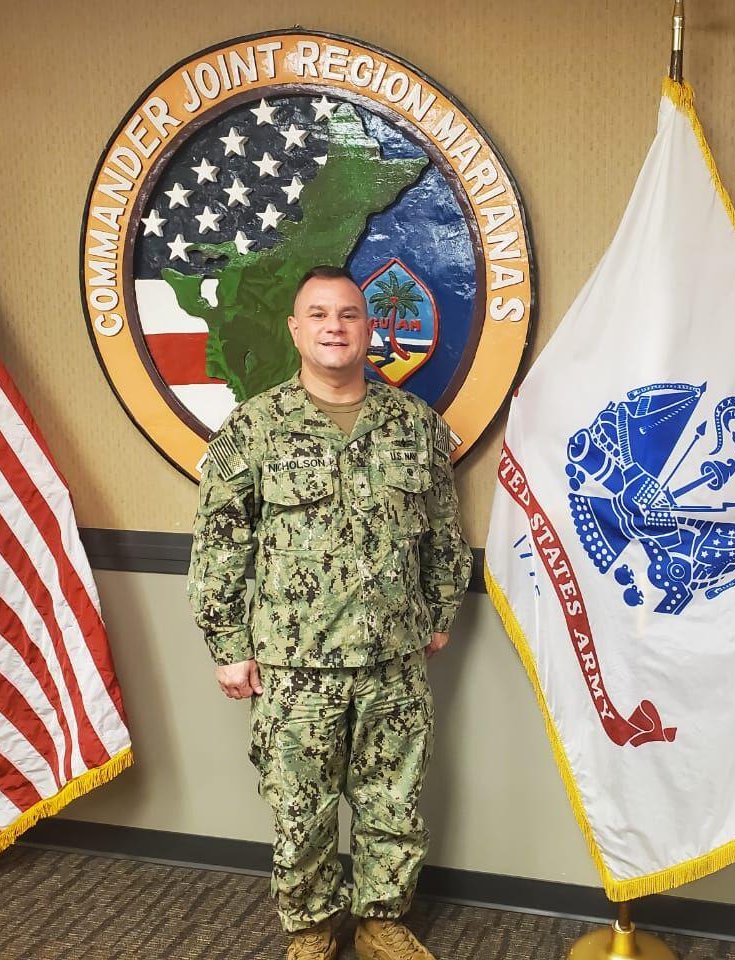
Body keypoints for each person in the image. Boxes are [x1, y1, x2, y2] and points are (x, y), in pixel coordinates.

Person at [188, 265, 472, 960]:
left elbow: (444, 528)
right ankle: (312, 925)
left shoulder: (413, 425)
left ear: (370, 329)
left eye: (348, 314)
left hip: (394, 656)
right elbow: (221, 539)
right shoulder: (255, 428)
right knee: (299, 807)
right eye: (318, 314)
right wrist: (227, 643)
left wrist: (439, 613)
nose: (334, 327)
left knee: (392, 798)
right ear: (296, 329)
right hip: (296, 661)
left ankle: (381, 919)